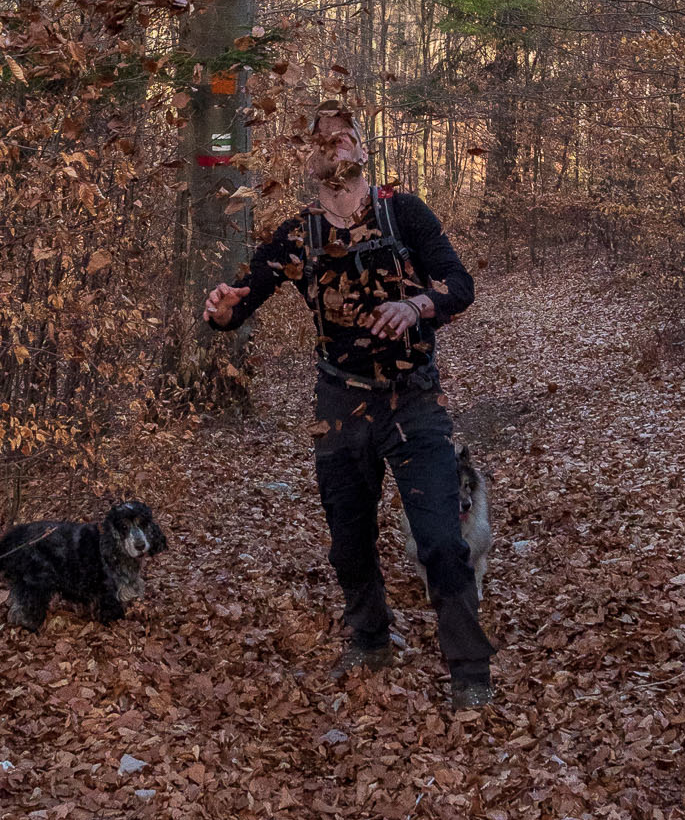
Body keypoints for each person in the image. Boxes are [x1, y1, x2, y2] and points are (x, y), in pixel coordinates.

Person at [203, 101, 494, 709]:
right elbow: (242, 299)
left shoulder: (403, 211)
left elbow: (458, 283)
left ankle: (469, 673)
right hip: (339, 401)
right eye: (322, 139)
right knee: (349, 539)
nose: (334, 146)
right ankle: (369, 638)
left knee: (443, 539)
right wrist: (224, 309)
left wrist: (416, 306)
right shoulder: (297, 232)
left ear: (362, 149)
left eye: (344, 137)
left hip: (414, 399)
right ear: (310, 159)